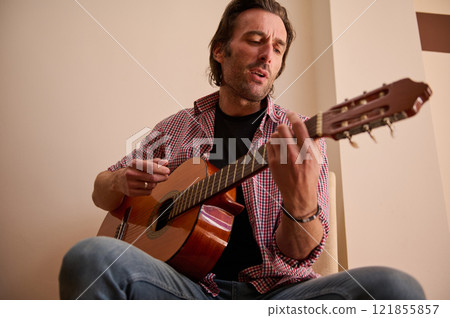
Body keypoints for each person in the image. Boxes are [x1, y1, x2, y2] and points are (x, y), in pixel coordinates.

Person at [59, 0, 425, 300]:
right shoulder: (175, 128)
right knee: (90, 256)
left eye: (278, 48)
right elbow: (101, 191)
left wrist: (300, 204)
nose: (268, 55)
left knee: (395, 289)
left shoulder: (298, 136)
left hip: (279, 294)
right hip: (186, 291)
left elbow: (301, 254)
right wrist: (122, 181)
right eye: (254, 40)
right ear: (221, 50)